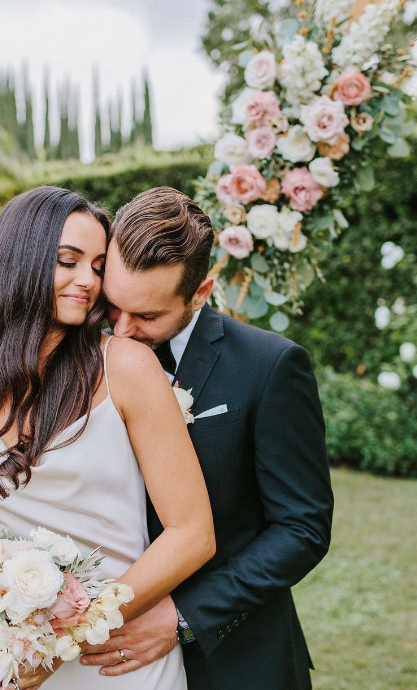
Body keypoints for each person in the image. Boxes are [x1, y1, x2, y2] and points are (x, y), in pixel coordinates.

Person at [0, 185, 215, 690]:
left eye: (99, 265)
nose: (88, 281)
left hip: (108, 659)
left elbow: (192, 534)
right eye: (68, 261)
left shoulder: (126, 366)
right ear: (20, 261)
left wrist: (69, 640)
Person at [79, 186, 334, 690]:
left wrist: (183, 617)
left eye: (148, 316)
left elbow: (301, 530)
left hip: (236, 661)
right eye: (113, 306)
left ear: (201, 291)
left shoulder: (269, 367)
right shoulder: (79, 360)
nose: (123, 331)